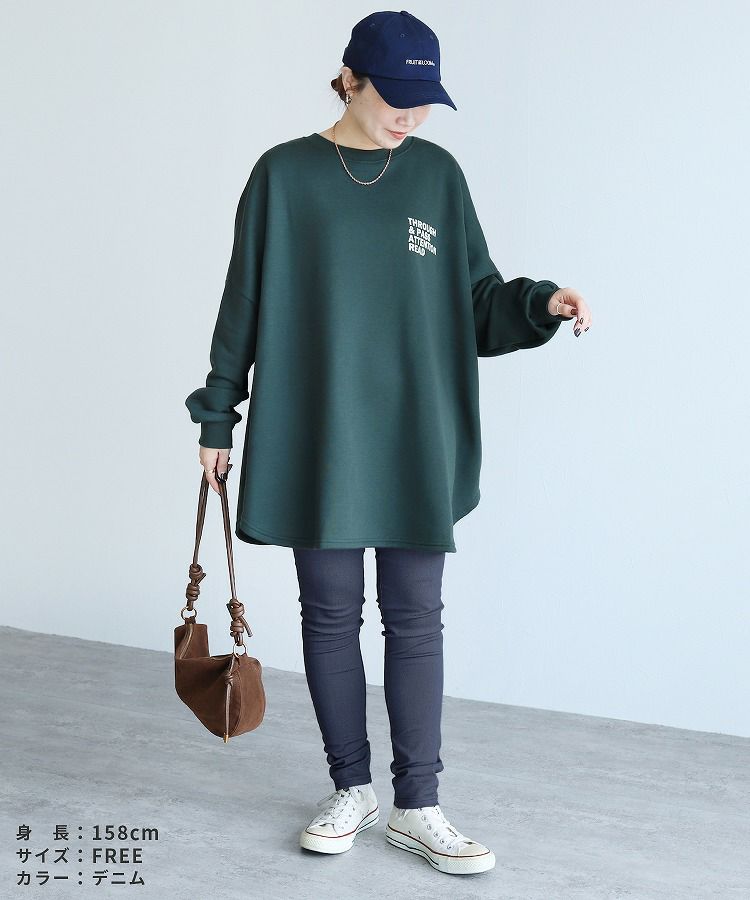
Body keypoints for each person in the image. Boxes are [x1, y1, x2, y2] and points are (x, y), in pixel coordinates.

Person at [185, 9, 592, 878]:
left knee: (415, 617)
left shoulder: (437, 176)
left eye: (424, 98)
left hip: (414, 431)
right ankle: (350, 788)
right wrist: (218, 416)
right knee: (329, 615)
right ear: (350, 79)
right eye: (396, 95)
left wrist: (539, 302)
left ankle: (418, 805)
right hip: (319, 429)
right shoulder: (283, 175)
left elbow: (475, 299)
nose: (411, 113)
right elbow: (242, 304)